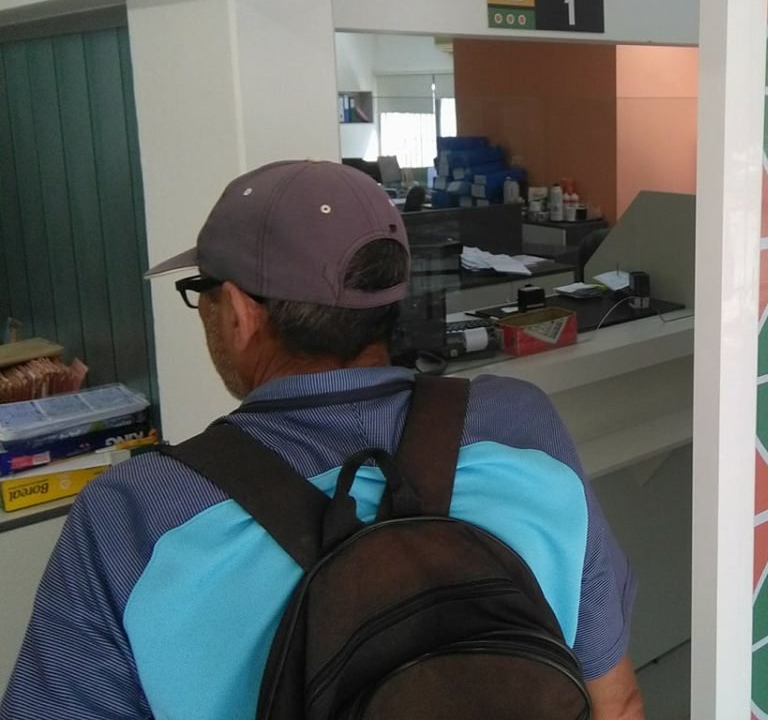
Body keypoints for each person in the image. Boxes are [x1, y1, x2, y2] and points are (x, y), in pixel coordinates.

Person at [1, 159, 644, 720]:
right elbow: (613, 703)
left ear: (241, 313)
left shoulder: (135, 515)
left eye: (202, 294)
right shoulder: (518, 425)